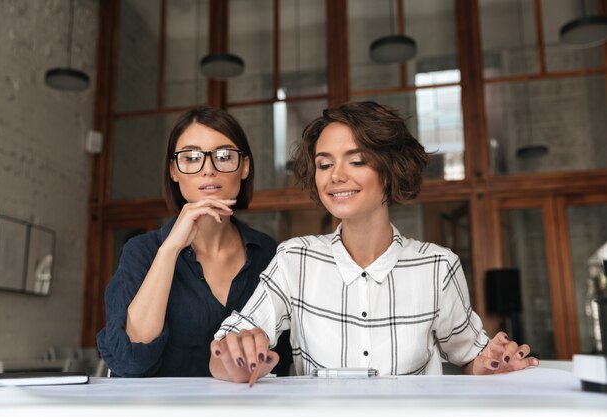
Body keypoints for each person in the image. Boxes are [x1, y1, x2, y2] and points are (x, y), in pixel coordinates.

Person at [209, 101, 539, 382]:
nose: (336, 176)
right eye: (325, 164)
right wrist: (235, 357)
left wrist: (494, 363)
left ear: (389, 169)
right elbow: (223, 351)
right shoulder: (294, 259)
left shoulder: (437, 267)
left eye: (356, 161)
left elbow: (469, 355)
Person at [97, 106, 291, 377]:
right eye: (191, 157)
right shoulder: (142, 251)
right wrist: (170, 249)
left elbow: (282, 360)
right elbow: (131, 361)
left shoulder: (269, 253)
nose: (208, 170)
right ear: (174, 171)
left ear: (244, 167)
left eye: (224, 156)